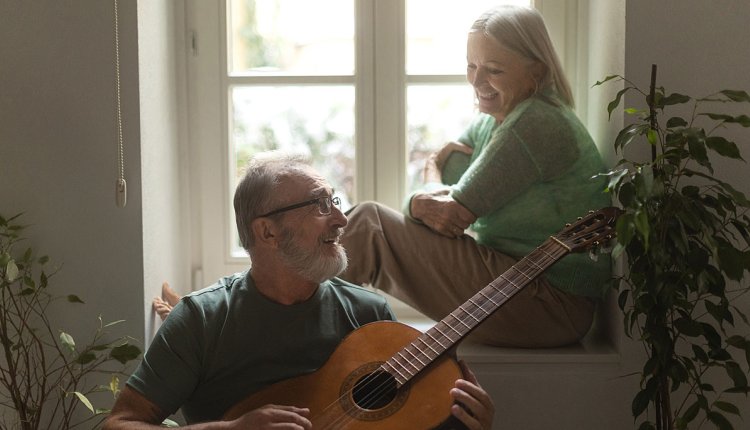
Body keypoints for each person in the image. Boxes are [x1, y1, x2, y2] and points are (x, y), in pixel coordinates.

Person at [104, 152, 495, 429]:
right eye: (321, 205)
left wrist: (468, 424)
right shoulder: (200, 319)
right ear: (267, 231)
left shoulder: (369, 315)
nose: (342, 219)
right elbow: (120, 424)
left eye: (335, 202)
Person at [340, 5, 612, 348]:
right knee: (369, 228)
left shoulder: (536, 122)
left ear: (536, 72)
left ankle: (278, 326)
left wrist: (429, 172)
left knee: (369, 227)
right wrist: (426, 194)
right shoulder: (494, 119)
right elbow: (436, 206)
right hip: (520, 285)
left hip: (549, 302)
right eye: (472, 66)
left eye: (494, 70)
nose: (477, 81)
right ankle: (294, 325)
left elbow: (446, 216)